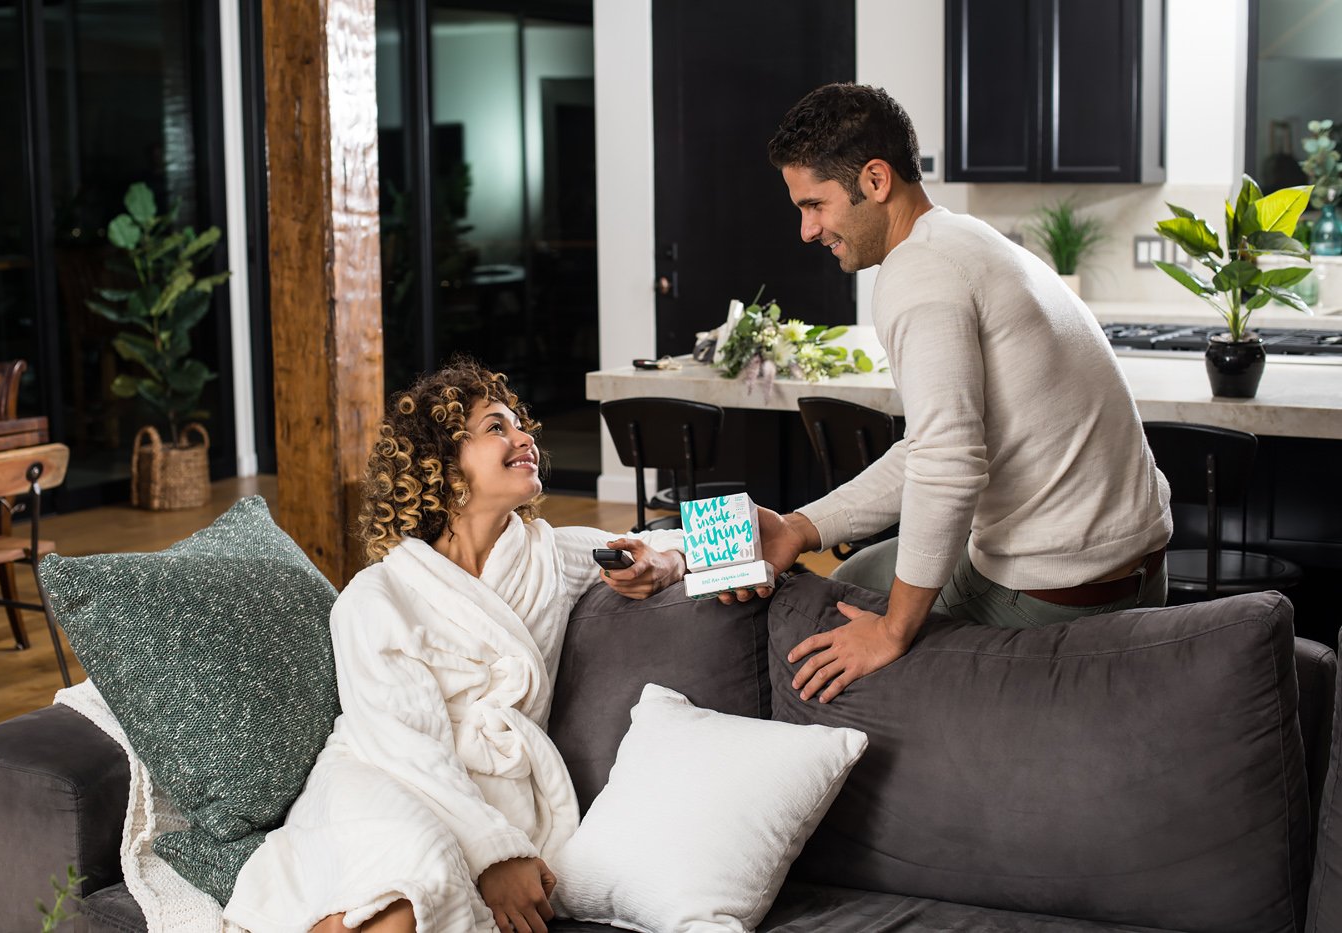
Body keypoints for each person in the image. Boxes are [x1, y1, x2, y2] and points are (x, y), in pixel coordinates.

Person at [731, 83, 1172, 704]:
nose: (807, 230)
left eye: (815, 205)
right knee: (856, 572)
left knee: (826, 614)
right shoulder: (964, 239)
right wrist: (799, 529)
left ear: (875, 180)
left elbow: (947, 466)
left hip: (1057, 592)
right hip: (1131, 569)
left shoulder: (917, 275)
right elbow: (934, 448)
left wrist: (892, 631)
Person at [222, 358, 687, 933]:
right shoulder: (376, 597)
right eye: (496, 427)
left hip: (497, 795)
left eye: (520, 425)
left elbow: (677, 538)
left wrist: (667, 561)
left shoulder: (549, 557)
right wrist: (496, 853)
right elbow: (403, 746)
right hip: (383, 776)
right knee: (420, 877)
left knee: (421, 892)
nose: (524, 438)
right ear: (440, 464)